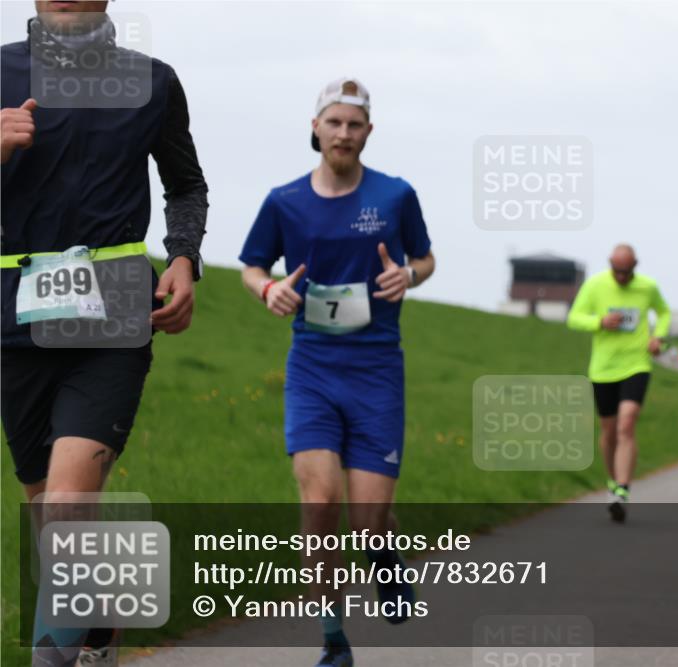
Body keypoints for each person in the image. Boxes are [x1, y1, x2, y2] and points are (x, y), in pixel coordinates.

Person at [1, 2, 208, 665]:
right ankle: (98, 630)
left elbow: (185, 185)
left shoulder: (152, 81)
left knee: (66, 506)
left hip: (114, 316)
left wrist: (183, 257)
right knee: (52, 520)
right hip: (14, 322)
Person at [239, 77, 434, 667]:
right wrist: (268, 289)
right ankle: (332, 639)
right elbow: (251, 266)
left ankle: (384, 555)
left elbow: (425, 258)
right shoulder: (284, 200)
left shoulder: (395, 195)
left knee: (368, 522)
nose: (344, 133)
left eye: (354, 124)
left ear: (368, 132)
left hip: (377, 370)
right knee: (320, 504)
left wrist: (409, 276)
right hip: (313, 369)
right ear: (315, 127)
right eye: (334, 122)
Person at [567, 244, 671, 523]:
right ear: (610, 264)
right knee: (609, 431)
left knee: (627, 423)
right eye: (617, 271)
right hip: (603, 369)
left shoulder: (647, 287)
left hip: (637, 365)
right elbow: (574, 318)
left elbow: (664, 312)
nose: (622, 277)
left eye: (627, 271)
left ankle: (623, 490)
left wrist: (658, 337)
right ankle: (612, 483)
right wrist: (600, 321)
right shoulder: (595, 285)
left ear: (635, 265)